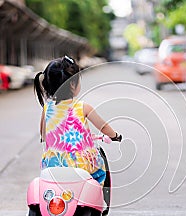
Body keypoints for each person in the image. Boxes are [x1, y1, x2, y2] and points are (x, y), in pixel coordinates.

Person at [34, 55, 121, 185]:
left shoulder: (47, 108)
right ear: (73, 84)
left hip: (53, 164)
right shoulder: (83, 107)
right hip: (81, 166)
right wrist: (115, 136)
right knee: (99, 174)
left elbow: (43, 134)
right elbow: (103, 127)